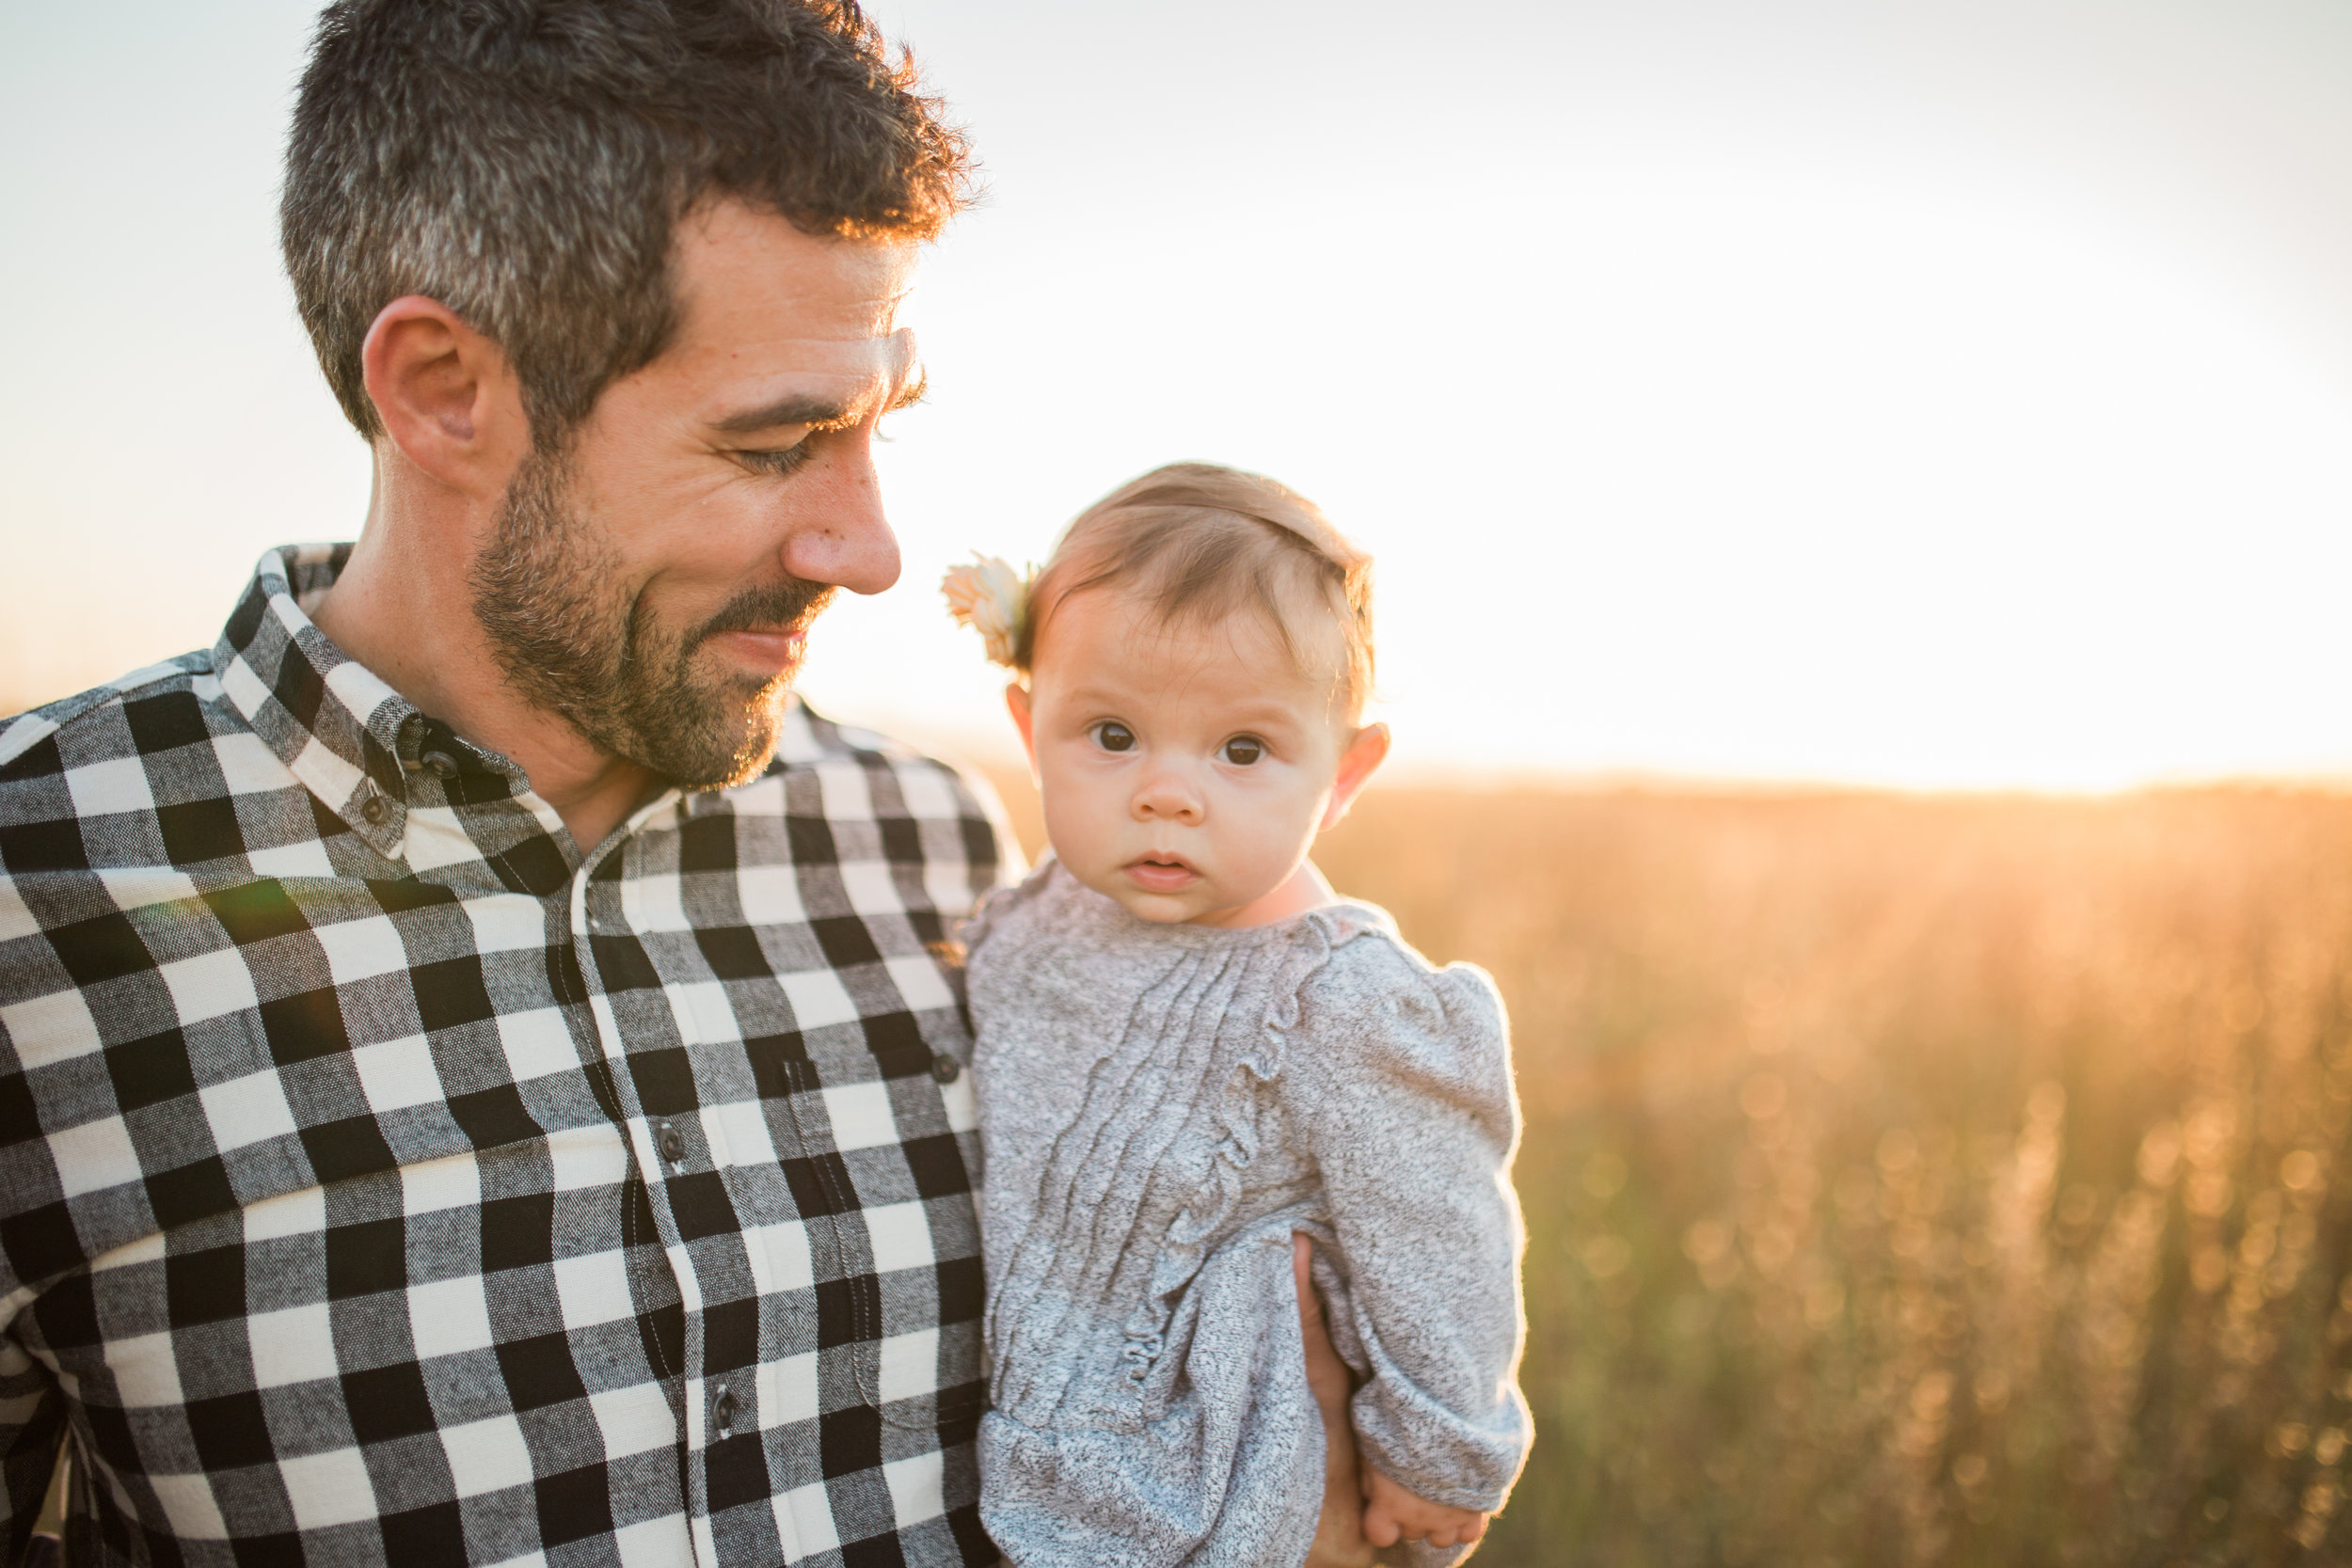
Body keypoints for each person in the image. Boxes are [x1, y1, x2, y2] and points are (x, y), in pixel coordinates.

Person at [945, 465, 1534, 1565]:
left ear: (1343, 774)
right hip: (1023, 1452)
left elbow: (1441, 1241)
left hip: (1229, 1473)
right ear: (1030, 728)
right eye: (1110, 734)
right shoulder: (1038, 915)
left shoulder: (1345, 1000)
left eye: (1243, 750)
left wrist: (1439, 1452)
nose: (1167, 790)